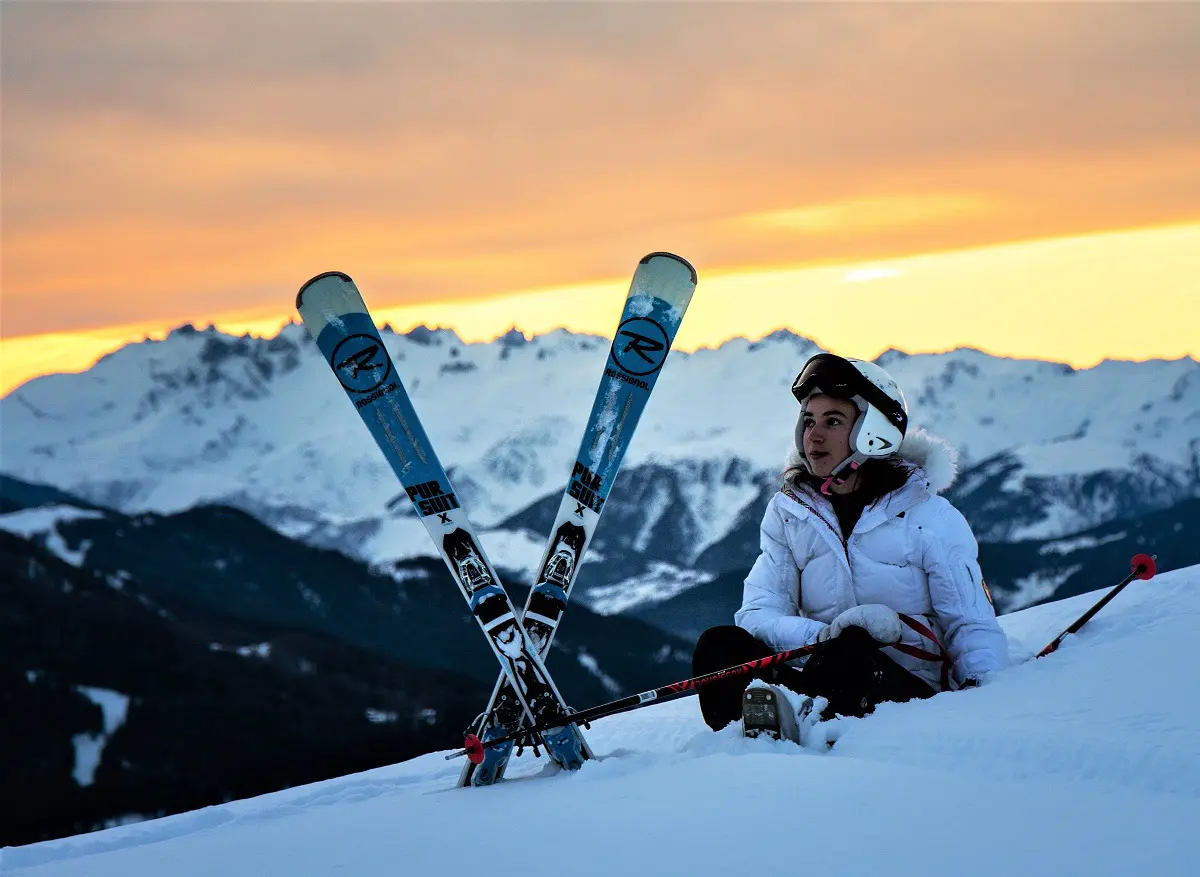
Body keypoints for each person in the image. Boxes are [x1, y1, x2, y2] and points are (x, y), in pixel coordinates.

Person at [692, 353, 1010, 741]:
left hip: (907, 696)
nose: (814, 436)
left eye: (833, 422)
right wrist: (823, 637)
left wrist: (984, 694)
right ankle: (753, 739)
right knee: (720, 646)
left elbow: (970, 624)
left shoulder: (929, 517)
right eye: (809, 421)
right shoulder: (790, 514)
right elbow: (758, 613)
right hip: (820, 674)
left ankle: (798, 729)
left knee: (851, 652)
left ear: (873, 433)